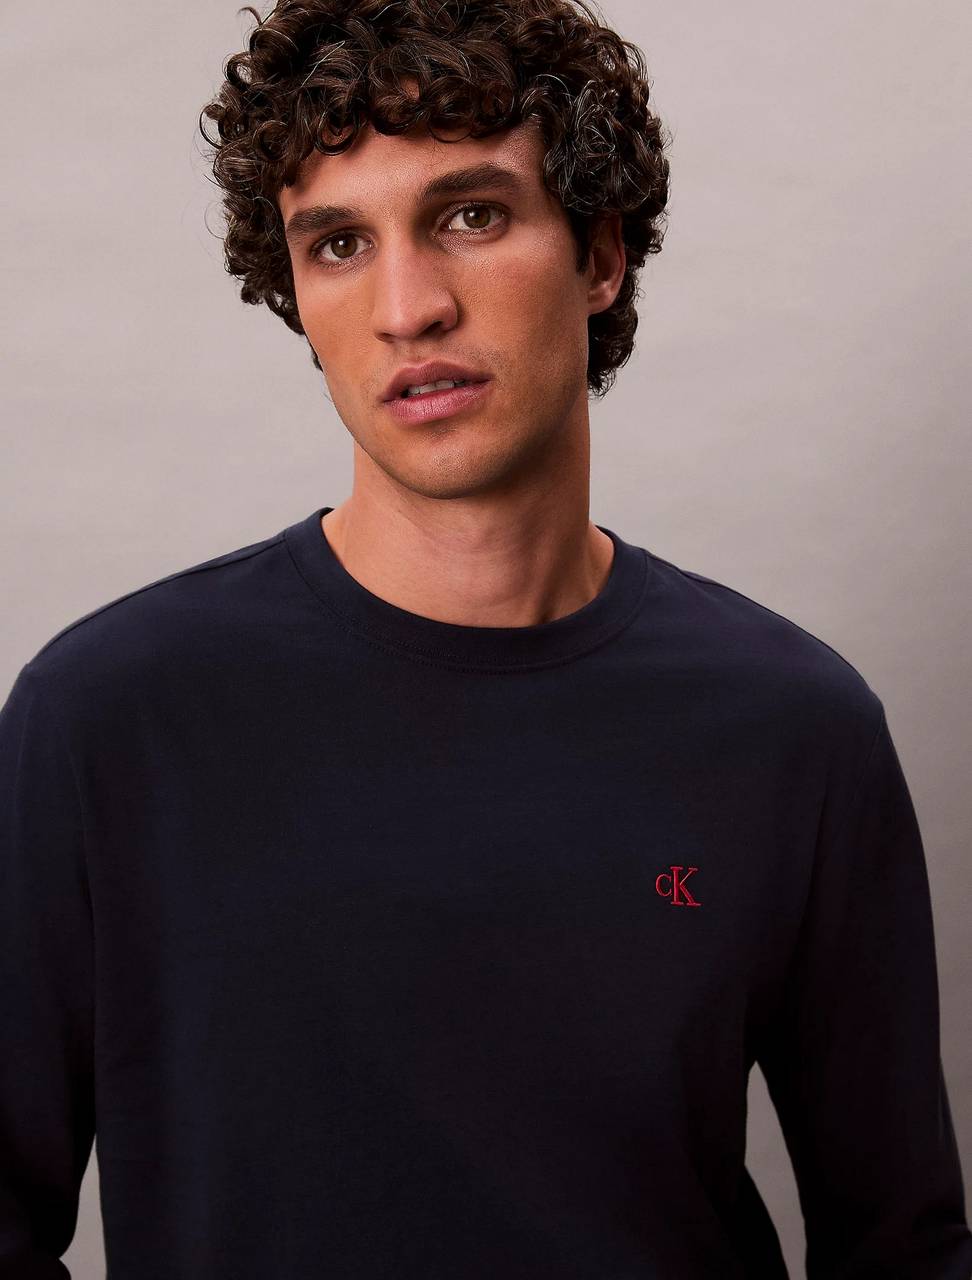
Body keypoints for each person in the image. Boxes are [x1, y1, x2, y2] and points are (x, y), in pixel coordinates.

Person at [1, 0, 970, 1275]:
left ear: (600, 253)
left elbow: (902, 1247)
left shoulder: (795, 727)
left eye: (470, 215)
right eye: (339, 243)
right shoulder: (106, 718)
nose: (408, 308)